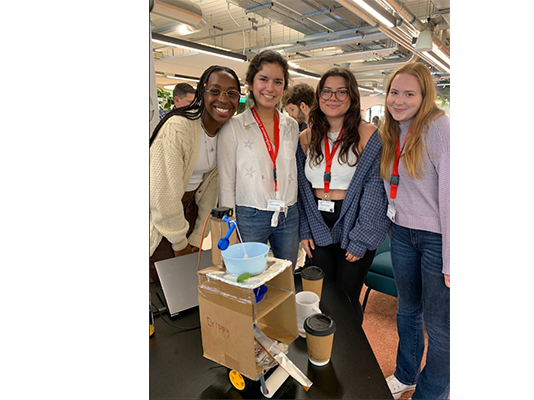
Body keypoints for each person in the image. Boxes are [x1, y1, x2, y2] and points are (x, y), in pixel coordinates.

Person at [296, 67, 390, 325]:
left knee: (346, 298)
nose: (333, 98)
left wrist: (362, 237)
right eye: (326, 91)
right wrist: (304, 228)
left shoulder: (369, 134)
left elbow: (375, 191)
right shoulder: (306, 137)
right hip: (318, 220)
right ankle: (326, 347)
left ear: (352, 97)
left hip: (355, 221)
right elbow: (301, 190)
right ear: (318, 96)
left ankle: (351, 348)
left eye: (341, 92)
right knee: (323, 295)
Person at [379, 63, 450, 399]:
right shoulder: (392, 130)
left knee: (440, 328)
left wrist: (452, 258)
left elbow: (453, 196)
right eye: (394, 92)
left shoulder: (439, 127)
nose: (399, 100)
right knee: (407, 310)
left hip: (437, 239)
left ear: (425, 96)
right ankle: (406, 374)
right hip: (402, 234)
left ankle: (431, 393)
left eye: (409, 94)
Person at [149, 66, 241, 283]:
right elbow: (163, 195)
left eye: (231, 93)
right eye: (215, 91)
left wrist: (199, 235)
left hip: (189, 210)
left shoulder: (223, 133)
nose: (223, 99)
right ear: (202, 93)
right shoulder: (178, 128)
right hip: (160, 214)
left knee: (184, 281)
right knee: (160, 281)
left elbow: (210, 191)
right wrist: (180, 244)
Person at [218, 50, 300, 267]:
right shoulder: (234, 127)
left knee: (286, 275)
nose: (270, 88)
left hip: (288, 213)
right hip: (250, 214)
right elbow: (226, 180)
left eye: (278, 81)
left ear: (284, 87)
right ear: (251, 83)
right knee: (249, 275)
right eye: (263, 79)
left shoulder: (291, 126)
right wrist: (230, 224)